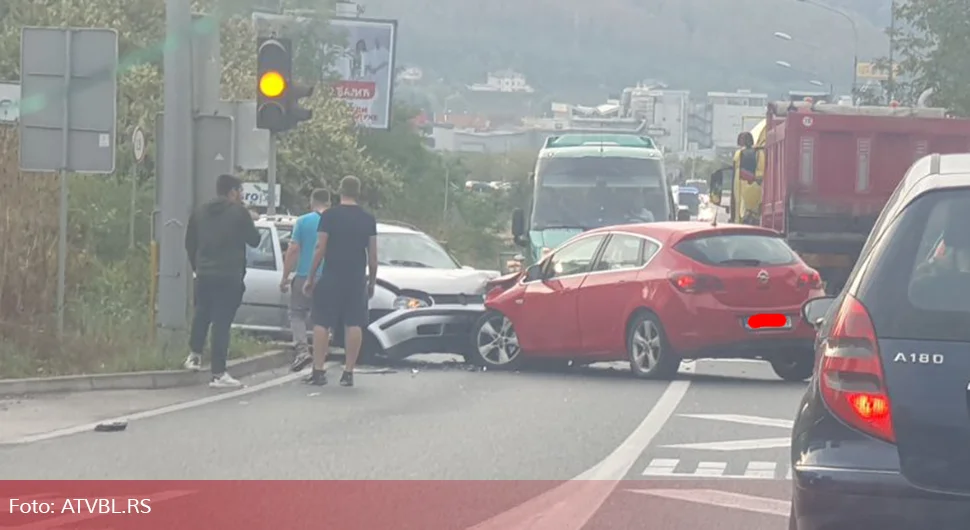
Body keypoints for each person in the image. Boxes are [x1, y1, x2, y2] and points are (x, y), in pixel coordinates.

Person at [183, 174, 261, 388]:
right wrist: (250, 219)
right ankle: (219, 373)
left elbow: (189, 242)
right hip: (229, 275)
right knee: (221, 323)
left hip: (205, 273)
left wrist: (197, 267)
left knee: (202, 313)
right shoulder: (239, 213)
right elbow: (254, 240)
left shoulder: (199, 212)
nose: (242, 195)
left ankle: (194, 356)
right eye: (240, 191)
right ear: (233, 192)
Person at [303, 175, 378, 387]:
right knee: (354, 323)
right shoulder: (368, 219)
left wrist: (310, 276)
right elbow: (373, 257)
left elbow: (320, 248)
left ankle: (318, 371)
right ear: (359, 192)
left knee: (322, 321)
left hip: (331, 275)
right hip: (355, 278)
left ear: (340, 190)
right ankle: (348, 372)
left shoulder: (329, 216)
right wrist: (371, 282)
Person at [279, 188, 330, 372]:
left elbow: (293, 250)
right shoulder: (334, 221)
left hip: (303, 274)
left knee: (297, 313)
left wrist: (285, 276)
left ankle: (302, 350)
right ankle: (320, 359)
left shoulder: (303, 221)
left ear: (311, 201)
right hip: (327, 276)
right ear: (329, 202)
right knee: (322, 319)